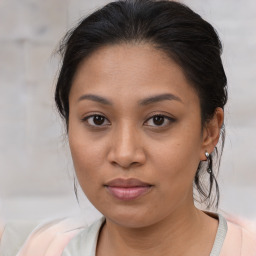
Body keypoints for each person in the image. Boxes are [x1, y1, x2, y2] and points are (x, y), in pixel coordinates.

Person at [0, 0, 256, 255]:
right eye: (97, 120)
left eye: (158, 120)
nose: (124, 154)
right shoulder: (25, 248)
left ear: (209, 132)